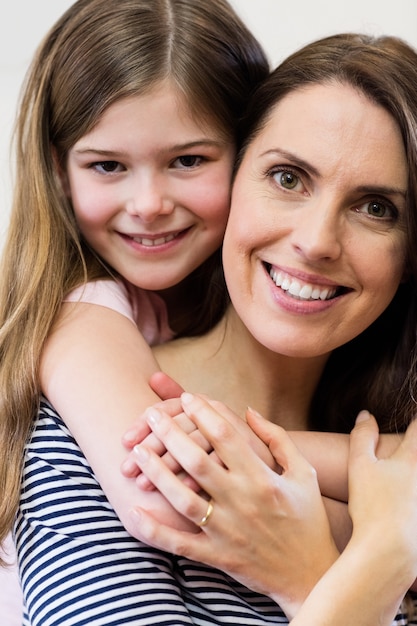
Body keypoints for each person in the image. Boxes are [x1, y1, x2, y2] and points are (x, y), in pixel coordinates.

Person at [13, 29, 417, 624]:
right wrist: (380, 558)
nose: (315, 241)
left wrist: (310, 578)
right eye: (287, 178)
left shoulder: (396, 478)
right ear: (234, 182)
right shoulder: (96, 437)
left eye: (376, 208)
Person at [0, 0, 269, 622]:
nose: (148, 203)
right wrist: (385, 509)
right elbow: (167, 495)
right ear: (59, 173)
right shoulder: (82, 312)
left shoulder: (207, 317)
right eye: (108, 166)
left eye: (188, 161)